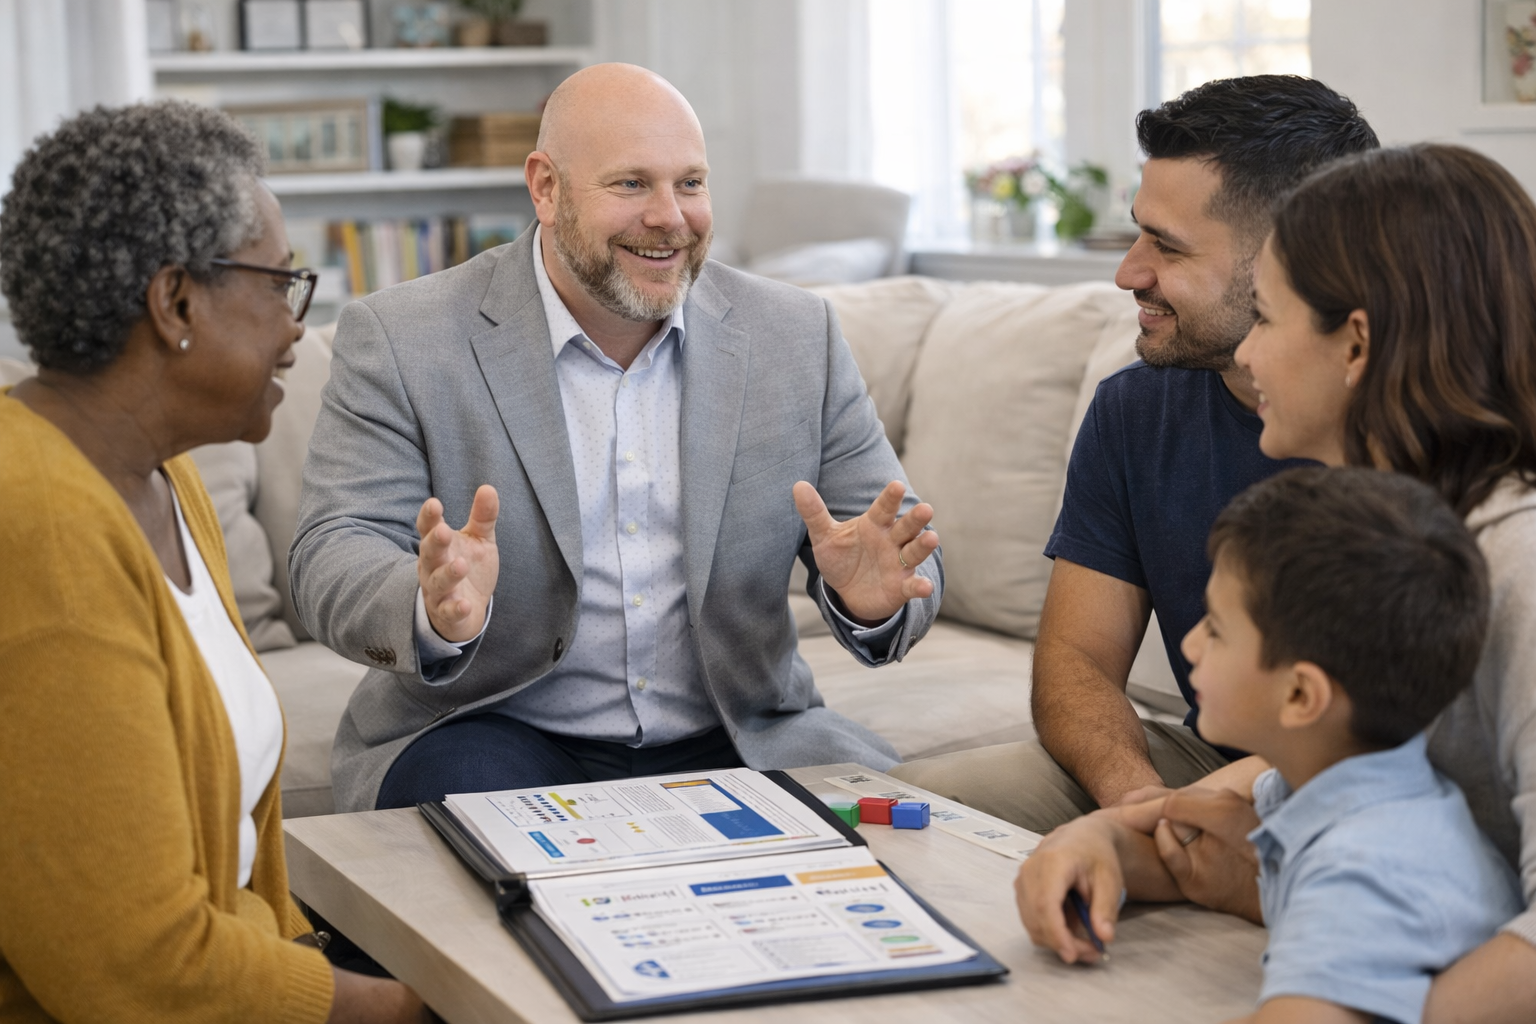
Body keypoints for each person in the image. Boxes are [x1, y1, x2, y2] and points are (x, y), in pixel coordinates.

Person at [290, 63, 943, 814]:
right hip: (493, 726)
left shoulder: (797, 336)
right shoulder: (406, 337)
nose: (670, 216)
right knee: (482, 841)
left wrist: (871, 601)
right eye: (631, 184)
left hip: (739, 734)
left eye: (690, 183)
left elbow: (906, 551)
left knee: (894, 856)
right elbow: (331, 550)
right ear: (545, 188)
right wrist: (426, 605)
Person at [1018, 144, 1536, 1023]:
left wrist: (1340, 996)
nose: (1247, 354)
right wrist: (1108, 832)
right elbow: (1339, 774)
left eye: (1265, 317)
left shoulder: (1517, 568)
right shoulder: (1392, 532)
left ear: (1356, 345)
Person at [0, 103, 429, 1022]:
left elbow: (231, 878)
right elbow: (138, 970)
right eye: (281, 285)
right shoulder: (37, 528)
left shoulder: (164, 476)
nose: (296, 328)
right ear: (175, 301)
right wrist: (418, 1010)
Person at [888, 76, 1378, 831]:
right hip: (1204, 760)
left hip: (1371, 775)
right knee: (911, 807)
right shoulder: (1136, 408)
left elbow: (1393, 725)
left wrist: (1184, 819)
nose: (1128, 271)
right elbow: (1076, 660)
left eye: (1168, 246)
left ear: (1292, 259)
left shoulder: (1418, 420)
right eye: (1136, 232)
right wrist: (1137, 801)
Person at [1024, 466, 1523, 1023]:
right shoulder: (1323, 788)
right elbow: (1191, 863)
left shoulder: (1365, 868)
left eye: (1214, 627)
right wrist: (1096, 844)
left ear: (1300, 695)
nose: (1188, 642)